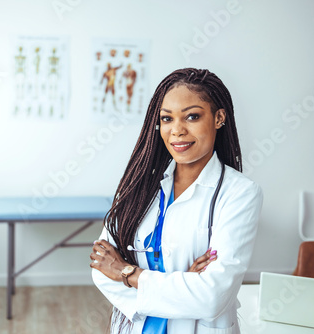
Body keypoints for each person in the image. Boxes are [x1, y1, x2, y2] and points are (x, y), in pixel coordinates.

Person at [90, 68, 263, 334]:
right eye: (167, 119)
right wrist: (184, 284)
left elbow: (212, 298)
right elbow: (102, 268)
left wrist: (128, 273)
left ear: (219, 118)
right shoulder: (140, 184)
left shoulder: (240, 193)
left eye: (192, 116)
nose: (177, 131)